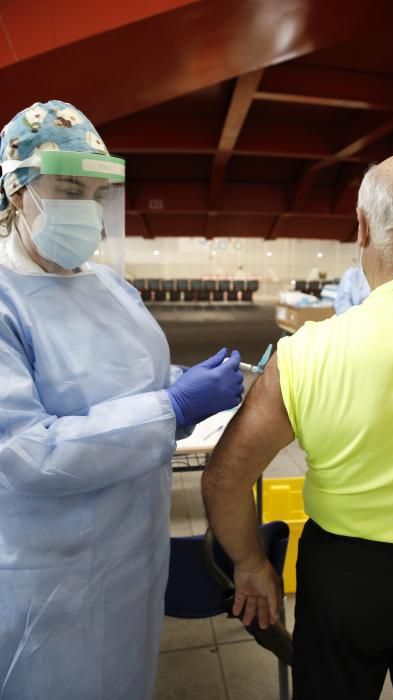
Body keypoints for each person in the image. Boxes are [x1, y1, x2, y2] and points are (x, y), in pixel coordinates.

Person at [0, 100, 244, 699]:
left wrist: (175, 378)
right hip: (50, 572)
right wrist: (173, 407)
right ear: (16, 195)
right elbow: (27, 450)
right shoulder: (7, 302)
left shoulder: (108, 284)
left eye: (90, 191)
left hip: (132, 554)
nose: (83, 209)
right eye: (65, 188)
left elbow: (131, 375)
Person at [202, 151, 393, 700]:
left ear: (363, 227)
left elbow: (225, 477)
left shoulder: (307, 353)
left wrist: (252, 565)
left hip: (344, 579)